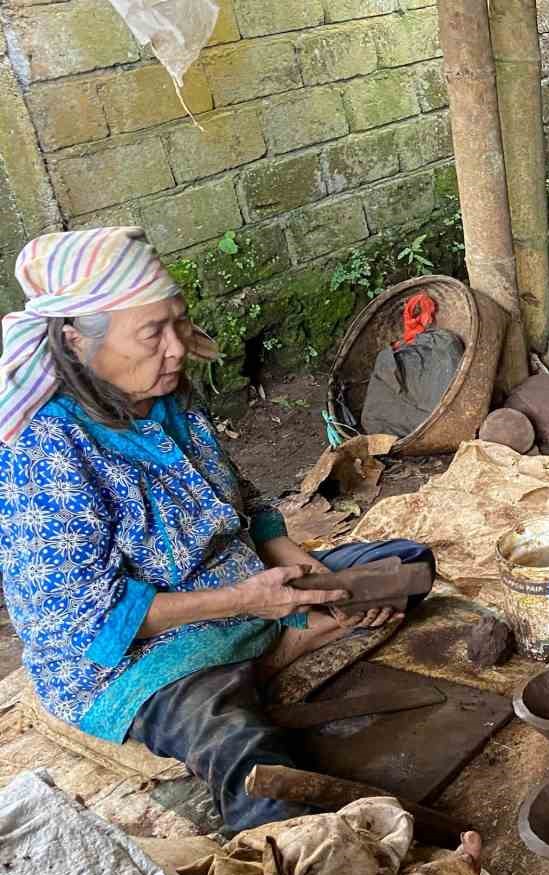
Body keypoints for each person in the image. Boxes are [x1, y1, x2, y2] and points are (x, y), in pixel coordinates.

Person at [0, 227, 436, 831]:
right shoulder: (47, 447)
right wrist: (248, 600)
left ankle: (278, 645)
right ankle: (267, 671)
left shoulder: (166, 394)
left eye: (177, 323)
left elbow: (240, 499)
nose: (176, 348)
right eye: (151, 334)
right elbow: (79, 618)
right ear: (76, 343)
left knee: (407, 564)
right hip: (145, 652)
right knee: (246, 758)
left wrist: (290, 558)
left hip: (248, 587)